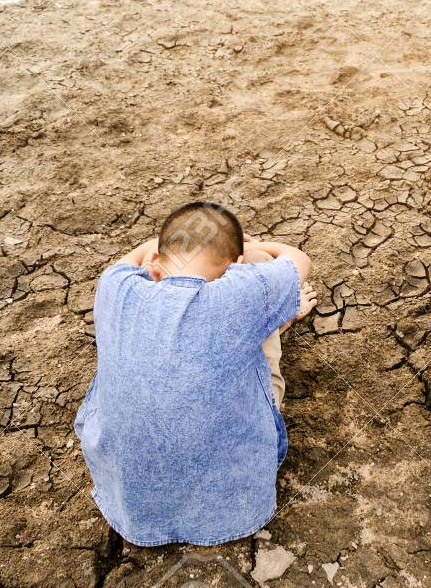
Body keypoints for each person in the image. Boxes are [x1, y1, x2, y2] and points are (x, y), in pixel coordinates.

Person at [74, 201, 315, 546]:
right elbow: (297, 259)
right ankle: (280, 316)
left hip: (130, 506)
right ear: (234, 268)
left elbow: (140, 257)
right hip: (234, 508)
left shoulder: (115, 284)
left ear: (155, 262)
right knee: (261, 283)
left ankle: (274, 313)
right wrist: (254, 248)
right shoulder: (241, 292)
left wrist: (161, 250)